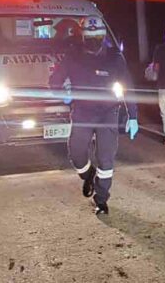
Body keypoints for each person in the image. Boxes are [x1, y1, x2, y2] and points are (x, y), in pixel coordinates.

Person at [49, 16, 139, 215]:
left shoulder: (115, 57)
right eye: (89, 36)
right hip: (82, 112)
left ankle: (101, 200)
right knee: (76, 153)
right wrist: (64, 92)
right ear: (83, 36)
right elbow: (54, 81)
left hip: (108, 113)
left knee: (106, 159)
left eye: (97, 36)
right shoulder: (73, 55)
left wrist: (133, 115)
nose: (93, 41)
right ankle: (88, 174)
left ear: (103, 36)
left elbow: (128, 86)